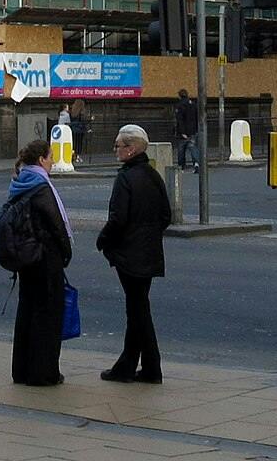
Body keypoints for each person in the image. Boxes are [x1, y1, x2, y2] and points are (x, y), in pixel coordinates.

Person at [98, 124, 172, 383]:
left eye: (118, 145)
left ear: (131, 149)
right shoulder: (153, 175)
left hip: (129, 254)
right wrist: (149, 234)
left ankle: (145, 367)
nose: (116, 149)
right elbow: (166, 215)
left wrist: (103, 239)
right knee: (138, 307)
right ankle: (136, 366)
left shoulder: (126, 178)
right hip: (149, 251)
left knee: (138, 311)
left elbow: (118, 218)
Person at [5, 139, 71, 386]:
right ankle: (43, 372)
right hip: (45, 257)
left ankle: (21, 370)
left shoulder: (20, 181)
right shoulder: (42, 187)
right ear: (41, 159)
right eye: (50, 157)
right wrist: (66, 253)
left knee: (27, 311)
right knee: (47, 315)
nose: (53, 161)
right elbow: (57, 225)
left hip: (26, 257)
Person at [173, 90, 201, 173]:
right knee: (193, 148)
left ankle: (181, 166)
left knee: (181, 149)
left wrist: (182, 132)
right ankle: (196, 164)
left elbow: (180, 120)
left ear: (179, 96)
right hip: (193, 130)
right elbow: (197, 117)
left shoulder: (180, 105)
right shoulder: (193, 104)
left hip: (184, 131)